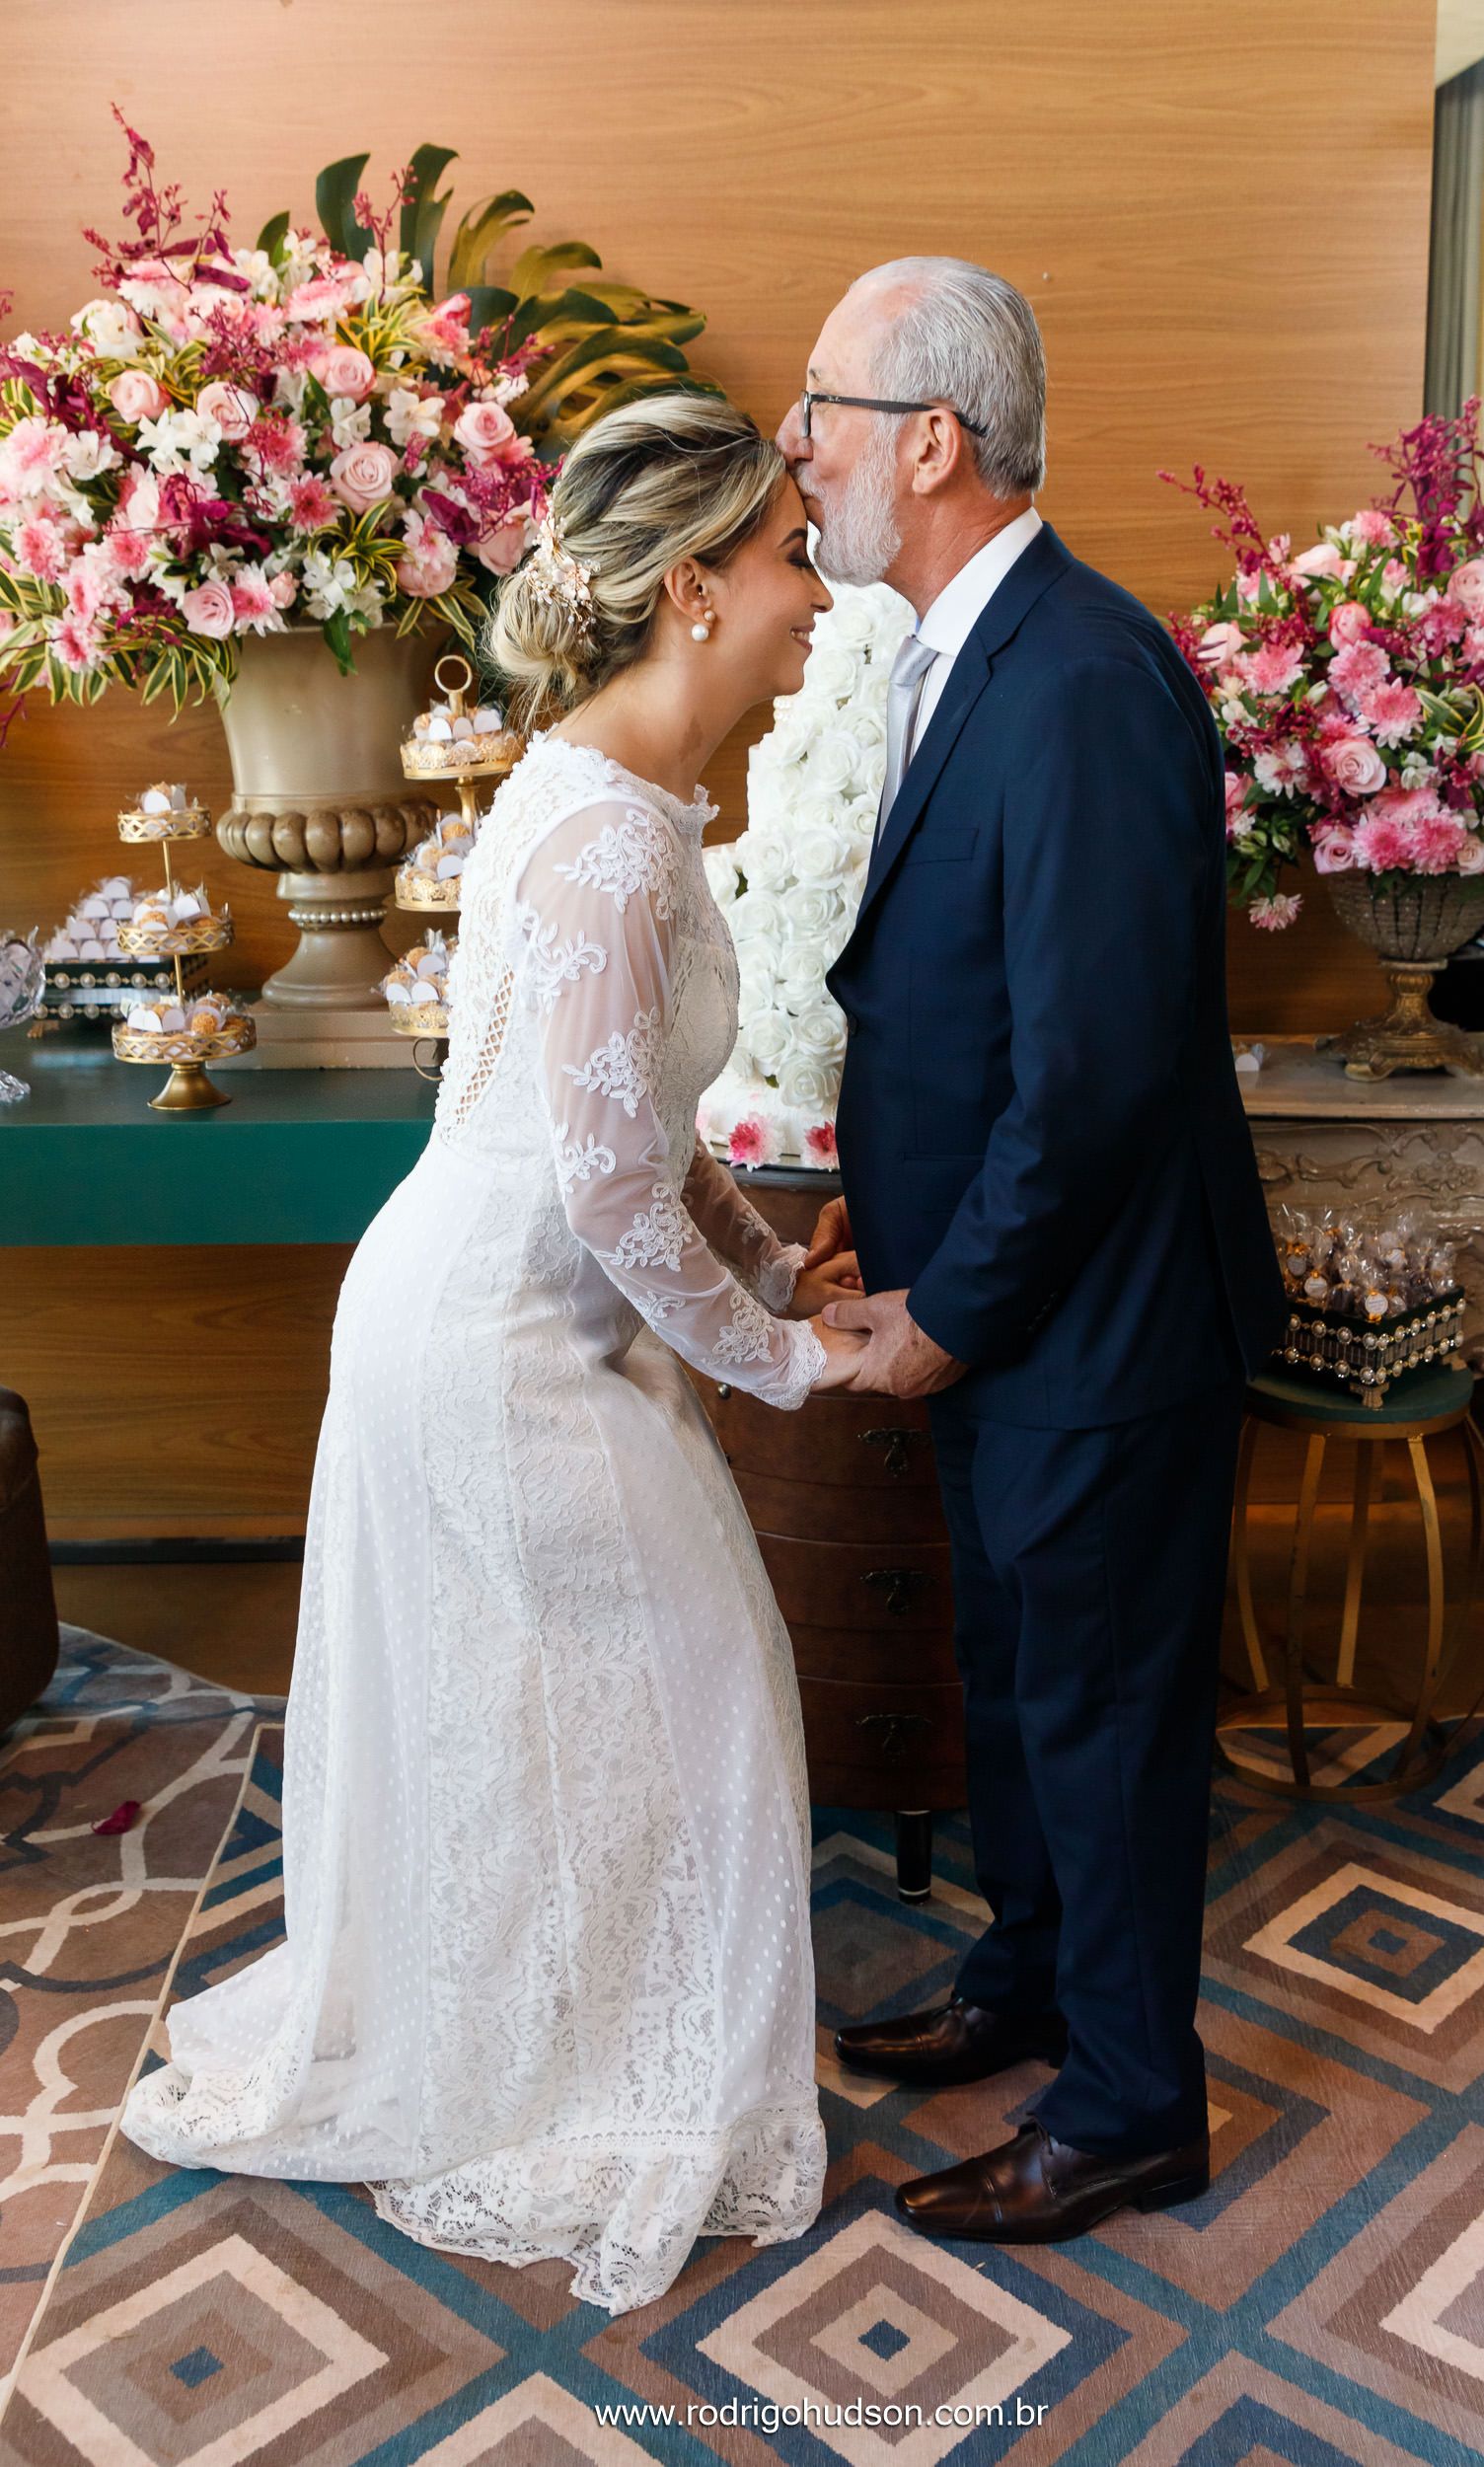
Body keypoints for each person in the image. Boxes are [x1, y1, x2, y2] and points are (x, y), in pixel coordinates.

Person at [121, 395, 869, 2315]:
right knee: (693, 1675)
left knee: (606, 1697)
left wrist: (770, 1277)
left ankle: (586, 2030)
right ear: (694, 589)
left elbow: (646, 1130)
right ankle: (584, 2066)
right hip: (491, 1341)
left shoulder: (617, 793)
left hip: (510, 1311)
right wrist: (792, 1363)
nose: (816, 594)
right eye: (791, 556)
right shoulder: (610, 842)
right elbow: (612, 1194)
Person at [783, 259, 1288, 2242]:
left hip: (1099, 1331)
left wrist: (952, 1308)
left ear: (929, 438)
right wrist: (886, 1232)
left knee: (1098, 1718)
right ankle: (1027, 1982)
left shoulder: (1079, 674)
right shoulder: (964, 645)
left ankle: (1136, 2101)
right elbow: (981, 1014)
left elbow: (1086, 1079)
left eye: (820, 407)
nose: (797, 449)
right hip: (1011, 1309)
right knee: (1018, 1692)